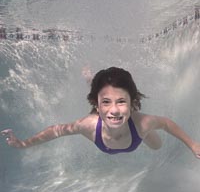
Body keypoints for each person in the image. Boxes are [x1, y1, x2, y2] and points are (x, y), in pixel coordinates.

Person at [1, 67, 200, 158]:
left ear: (133, 104)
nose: (114, 110)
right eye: (106, 103)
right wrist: (23, 143)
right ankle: (92, 82)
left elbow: (165, 123)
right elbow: (57, 130)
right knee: (99, 92)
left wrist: (192, 144)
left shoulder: (142, 123)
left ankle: (99, 88)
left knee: (157, 146)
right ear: (97, 106)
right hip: (103, 119)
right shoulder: (88, 125)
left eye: (122, 101)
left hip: (137, 133)